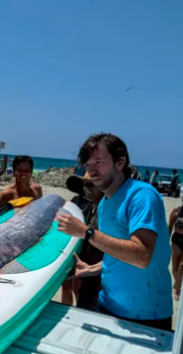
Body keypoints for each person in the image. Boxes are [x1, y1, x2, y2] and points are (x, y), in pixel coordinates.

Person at [57, 133, 173, 331]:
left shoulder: (141, 196)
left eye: (99, 162)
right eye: (88, 164)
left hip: (146, 314)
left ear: (120, 163)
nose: (92, 170)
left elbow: (141, 256)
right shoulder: (104, 205)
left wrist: (87, 232)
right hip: (107, 305)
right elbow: (118, 253)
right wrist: (91, 269)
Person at [62, 172, 104, 309]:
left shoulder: (103, 208)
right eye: (86, 184)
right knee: (68, 286)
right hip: (75, 252)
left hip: (93, 260)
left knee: (80, 290)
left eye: (92, 185)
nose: (88, 189)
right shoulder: (76, 202)